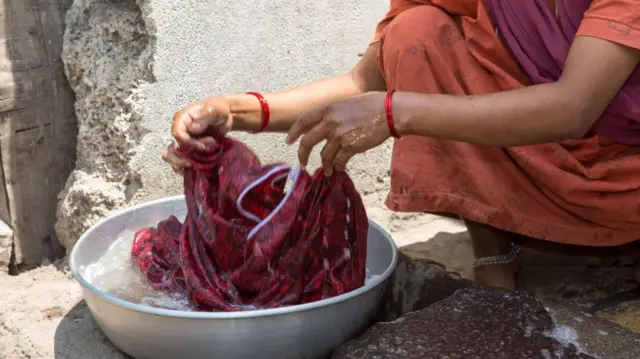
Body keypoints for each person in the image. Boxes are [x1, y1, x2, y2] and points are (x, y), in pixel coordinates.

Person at [163, 0, 640, 291]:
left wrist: (394, 113)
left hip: (626, 176)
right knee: (416, 33)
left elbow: (573, 107)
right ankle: (494, 251)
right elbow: (362, 82)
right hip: (540, 152)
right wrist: (236, 111)